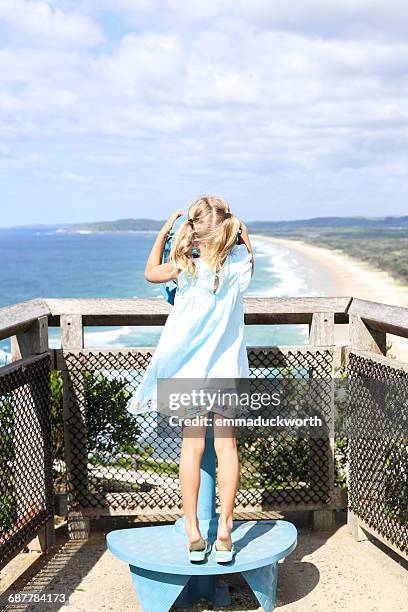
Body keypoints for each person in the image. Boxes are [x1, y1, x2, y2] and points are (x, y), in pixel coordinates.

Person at [128, 195, 254, 561]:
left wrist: (165, 231)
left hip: (188, 375)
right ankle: (227, 531)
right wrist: (245, 235)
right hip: (227, 371)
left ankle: (193, 531)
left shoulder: (184, 265)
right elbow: (250, 257)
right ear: (228, 229)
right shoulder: (238, 267)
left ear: (194, 231)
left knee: (191, 449)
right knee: (227, 449)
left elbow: (151, 272)